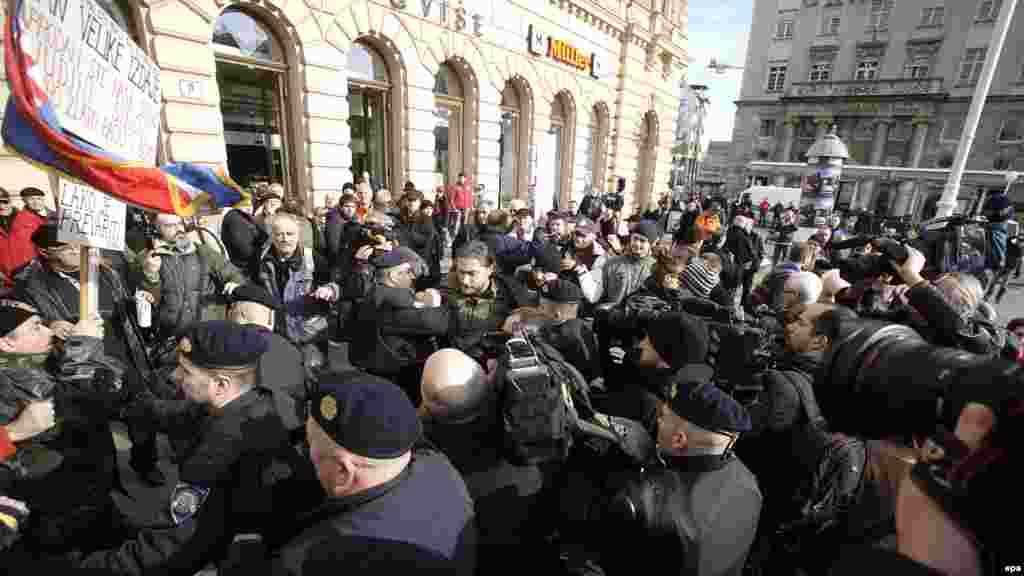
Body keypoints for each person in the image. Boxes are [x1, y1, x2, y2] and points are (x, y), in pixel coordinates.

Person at [53, 321, 318, 575]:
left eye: (186, 371)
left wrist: (87, 568)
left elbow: (177, 545)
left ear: (221, 385)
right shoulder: (242, 402)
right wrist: (122, 391)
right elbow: (169, 414)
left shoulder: (224, 443)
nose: (174, 376)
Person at [271, 372, 476, 575]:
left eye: (309, 445)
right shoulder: (438, 465)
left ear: (344, 472)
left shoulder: (312, 559)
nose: (306, 452)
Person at [418, 348, 547, 573]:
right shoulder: (527, 427)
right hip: (522, 541)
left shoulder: (418, 455)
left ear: (425, 401)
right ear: (485, 380)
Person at [350, 247, 447, 400]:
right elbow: (439, 323)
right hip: (397, 378)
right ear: (394, 275)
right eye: (410, 272)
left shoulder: (375, 292)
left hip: (373, 371)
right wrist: (435, 300)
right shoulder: (397, 299)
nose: (413, 278)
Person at [226, 283, 306, 435]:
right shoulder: (293, 350)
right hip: (288, 438)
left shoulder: (221, 346)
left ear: (236, 313)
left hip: (238, 438)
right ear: (271, 319)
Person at [598, 220, 659, 306]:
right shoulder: (612, 264)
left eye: (642, 241)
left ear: (651, 244)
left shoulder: (655, 268)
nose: (637, 244)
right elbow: (601, 294)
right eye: (635, 238)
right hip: (612, 314)